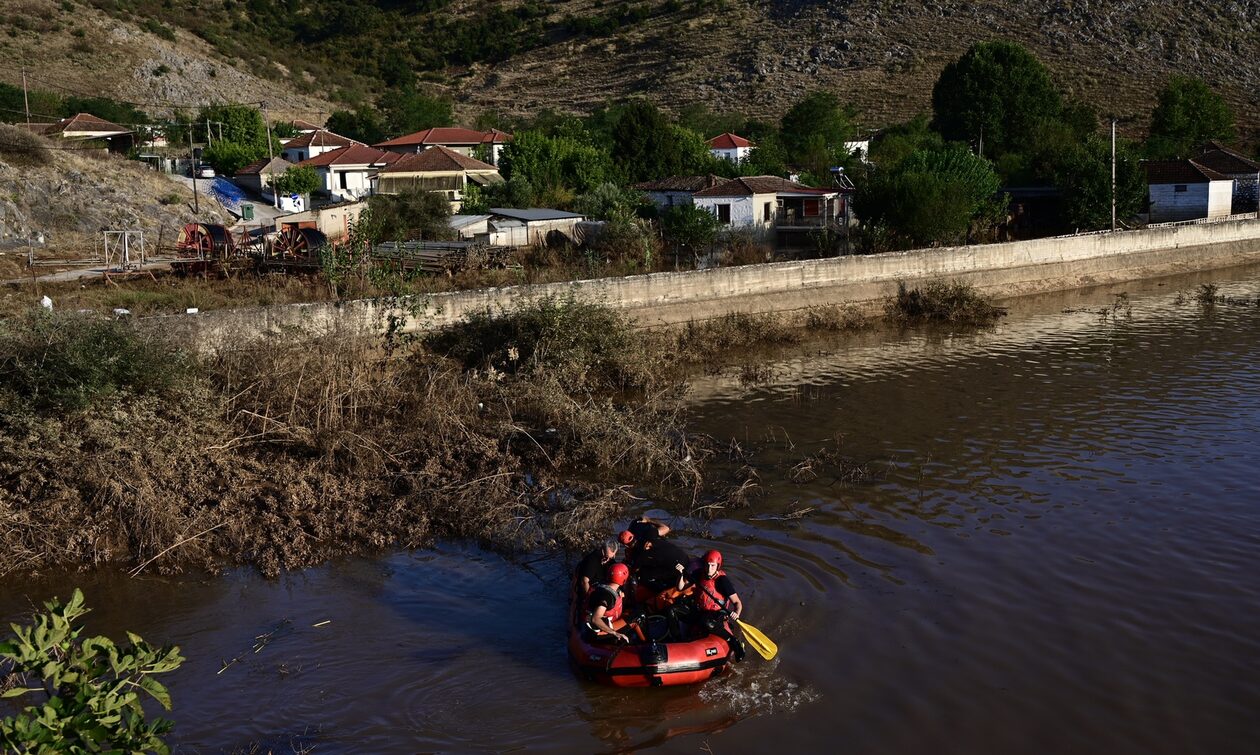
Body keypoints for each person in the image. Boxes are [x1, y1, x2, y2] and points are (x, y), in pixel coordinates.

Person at [686, 549, 746, 661]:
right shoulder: (699, 574)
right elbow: (681, 587)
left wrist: (736, 613)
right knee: (674, 610)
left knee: (706, 621)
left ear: (718, 566)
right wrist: (681, 573)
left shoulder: (722, 581)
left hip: (717, 613)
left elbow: (737, 603)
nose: (709, 569)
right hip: (701, 610)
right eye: (707, 565)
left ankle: (733, 641)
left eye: (713, 565)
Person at [587, 563, 632, 644]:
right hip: (599, 631)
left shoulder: (608, 586)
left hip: (609, 621)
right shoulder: (606, 597)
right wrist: (615, 633)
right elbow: (595, 619)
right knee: (639, 616)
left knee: (631, 612)